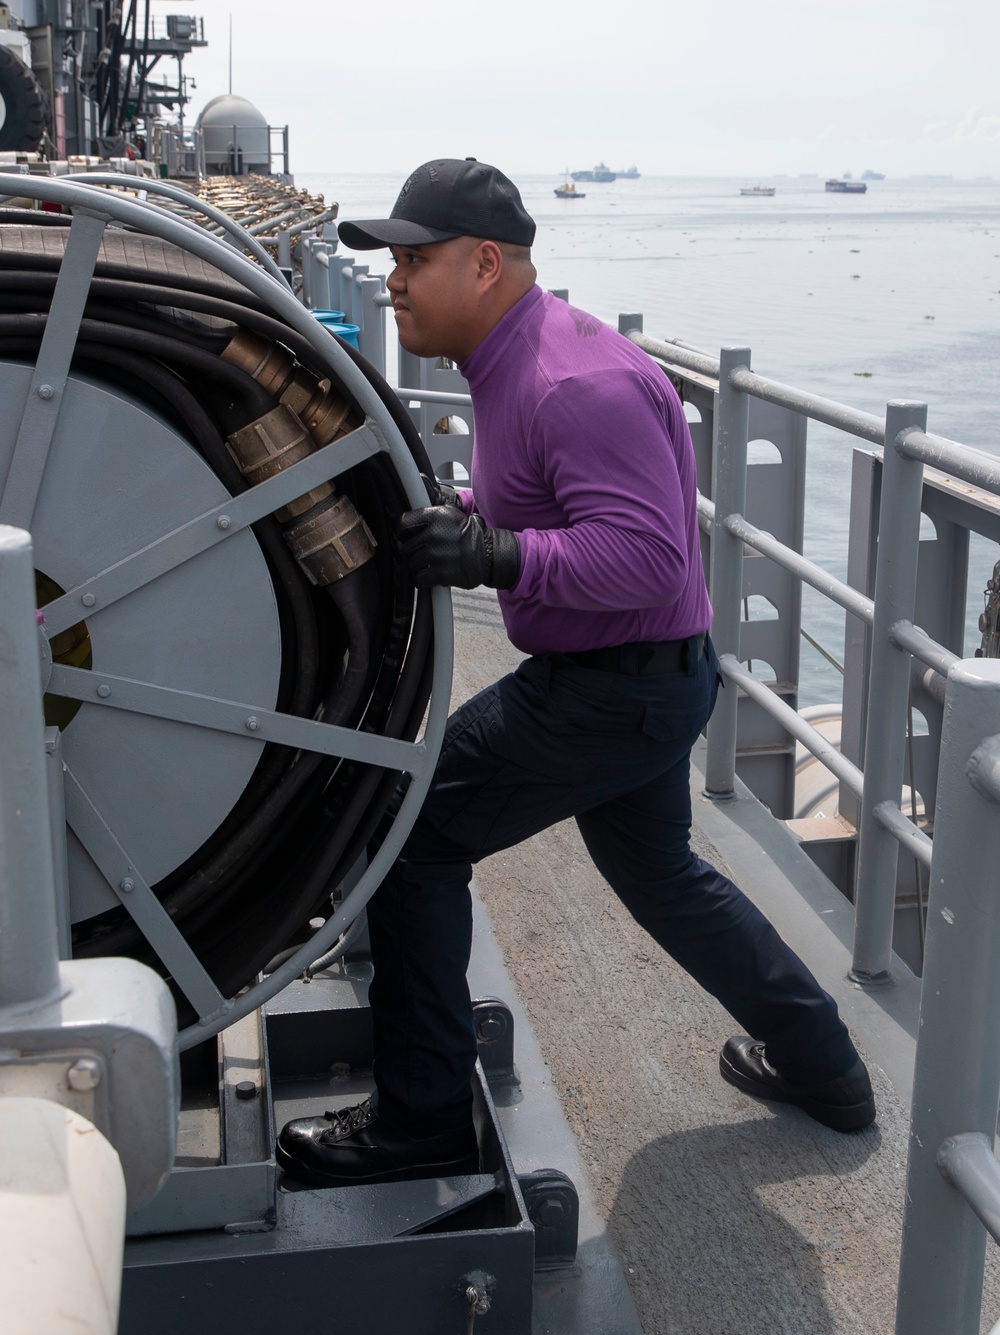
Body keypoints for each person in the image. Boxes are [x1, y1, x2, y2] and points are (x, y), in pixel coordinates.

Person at [277, 158, 875, 1188]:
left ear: (486, 262)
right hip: (640, 679)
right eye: (393, 263)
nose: (393, 282)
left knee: (409, 832)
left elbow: (648, 557)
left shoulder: (574, 382)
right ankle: (829, 1070)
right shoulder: (516, 360)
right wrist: (472, 519)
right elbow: (553, 505)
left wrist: (497, 556)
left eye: (415, 260)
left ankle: (421, 1117)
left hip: (611, 689)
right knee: (666, 882)